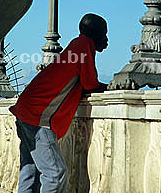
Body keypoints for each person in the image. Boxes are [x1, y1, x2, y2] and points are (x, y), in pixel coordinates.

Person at [10, 13, 108, 193]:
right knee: (56, 174)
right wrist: (109, 86)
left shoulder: (75, 46)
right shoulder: (84, 45)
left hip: (25, 111)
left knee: (30, 170)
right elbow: (90, 83)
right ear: (96, 34)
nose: (107, 39)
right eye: (105, 33)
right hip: (38, 118)